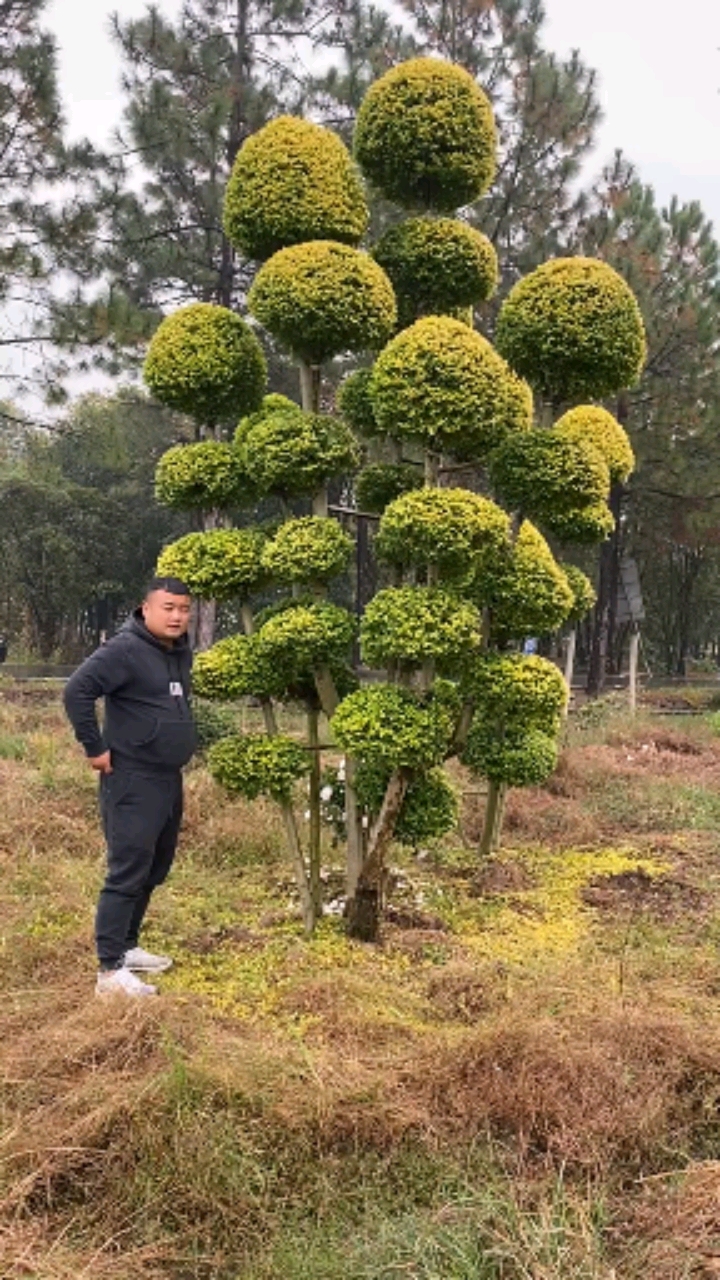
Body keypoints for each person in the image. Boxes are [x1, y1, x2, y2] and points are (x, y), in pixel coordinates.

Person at [64, 577, 197, 996]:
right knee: (127, 868)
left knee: (154, 867)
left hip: (166, 777)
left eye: (184, 608)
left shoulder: (176, 652)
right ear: (146, 609)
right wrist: (95, 747)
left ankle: (127, 946)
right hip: (132, 777)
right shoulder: (125, 650)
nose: (177, 616)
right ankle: (109, 970)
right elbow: (77, 691)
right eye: (169, 608)